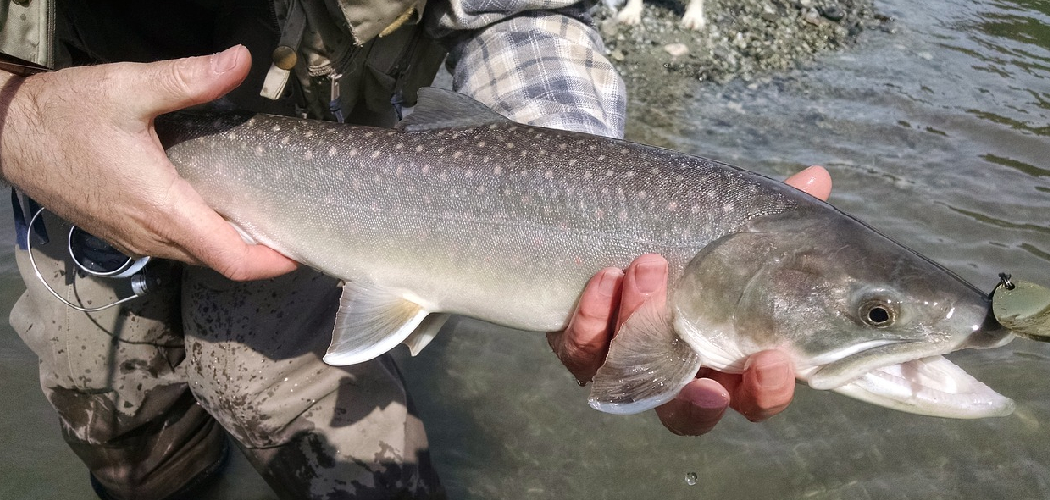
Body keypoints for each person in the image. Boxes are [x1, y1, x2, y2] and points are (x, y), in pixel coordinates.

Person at [0, 0, 827, 498]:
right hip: (61, 128)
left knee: (368, 475)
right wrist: (22, 119)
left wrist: (569, 191)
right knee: (128, 447)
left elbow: (519, 11)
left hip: (354, 183)